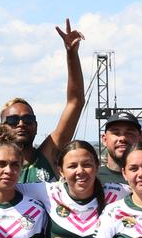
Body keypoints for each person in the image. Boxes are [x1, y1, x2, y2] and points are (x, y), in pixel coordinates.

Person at [6, 20, 88, 184]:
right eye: (13, 120)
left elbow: (75, 102)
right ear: (1, 128)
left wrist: (71, 54)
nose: (21, 124)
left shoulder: (47, 155)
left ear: (36, 126)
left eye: (28, 119)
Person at [96, 111, 142, 185]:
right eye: (116, 133)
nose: (122, 138)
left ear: (140, 138)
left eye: (129, 133)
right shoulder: (92, 178)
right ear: (104, 139)